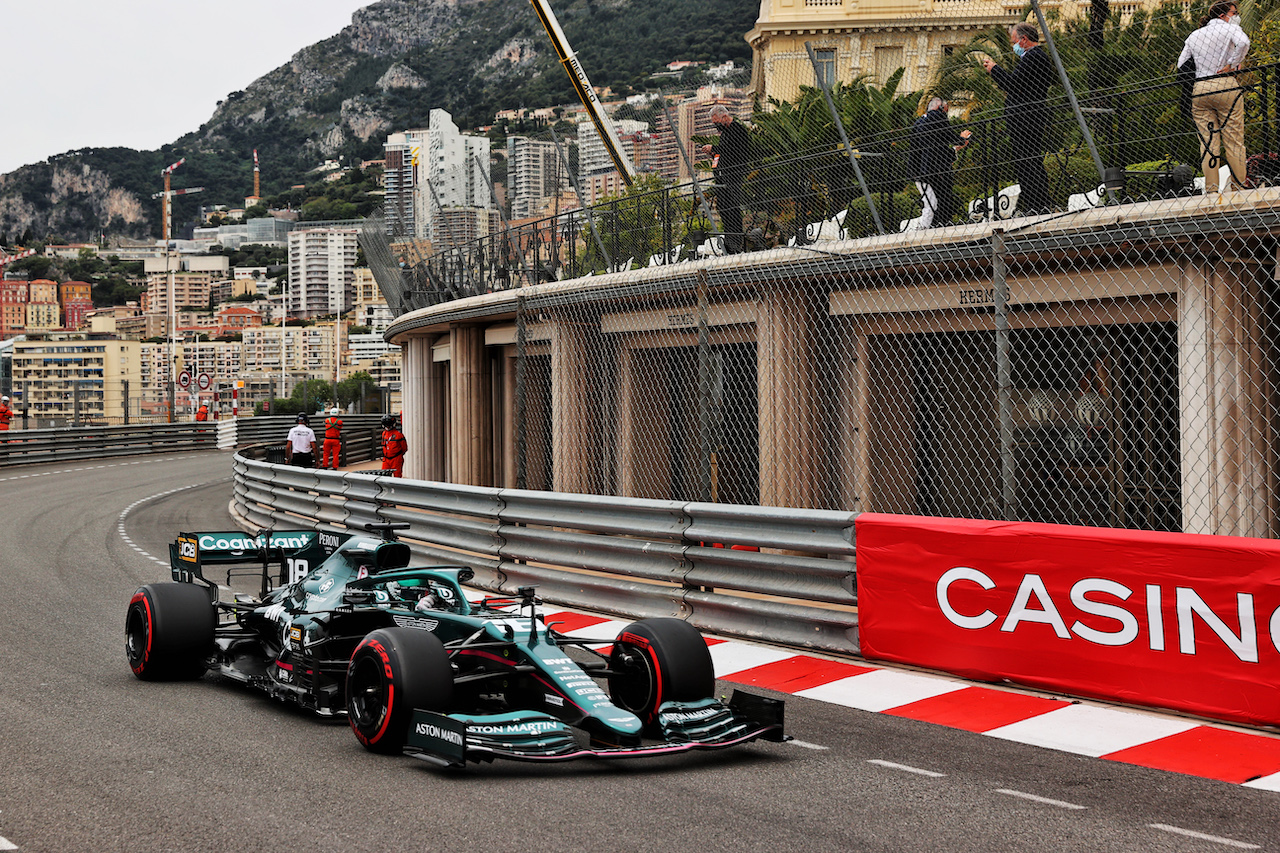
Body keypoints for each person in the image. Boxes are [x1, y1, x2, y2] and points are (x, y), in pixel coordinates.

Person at [982, 23, 1056, 215]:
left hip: (1026, 119)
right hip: (1026, 118)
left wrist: (994, 69)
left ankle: (1037, 205)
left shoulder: (1033, 57)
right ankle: (1036, 204)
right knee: (1027, 162)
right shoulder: (1033, 58)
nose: (1013, 45)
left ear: (1023, 40)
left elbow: (1013, 84)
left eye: (1014, 41)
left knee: (1028, 162)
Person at [1178, 2, 1251, 192]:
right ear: (1223, 15)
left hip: (1200, 89)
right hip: (1225, 84)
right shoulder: (1230, 28)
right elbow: (1244, 42)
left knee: (1208, 142)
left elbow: (1181, 64)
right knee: (1233, 139)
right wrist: (1232, 64)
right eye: (1234, 13)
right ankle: (1238, 187)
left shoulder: (1195, 35)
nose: (1236, 16)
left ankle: (1211, 189)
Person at [908, 98, 971, 228]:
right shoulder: (938, 117)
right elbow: (950, 137)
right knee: (942, 200)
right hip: (936, 169)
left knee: (930, 202)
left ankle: (932, 227)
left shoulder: (918, 123)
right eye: (946, 110)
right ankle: (938, 226)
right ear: (940, 107)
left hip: (920, 170)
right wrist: (962, 139)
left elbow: (933, 147)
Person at [700, 105, 751, 253]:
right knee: (723, 206)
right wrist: (713, 153)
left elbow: (732, 150)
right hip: (723, 177)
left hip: (733, 176)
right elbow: (724, 151)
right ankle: (730, 240)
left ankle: (735, 241)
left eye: (716, 121)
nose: (715, 125)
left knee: (732, 208)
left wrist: (714, 148)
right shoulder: (725, 133)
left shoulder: (736, 129)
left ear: (723, 117)